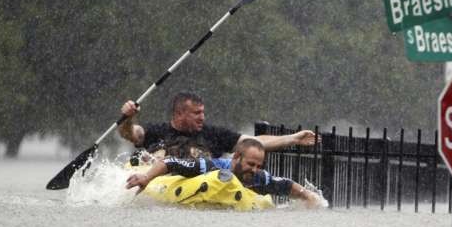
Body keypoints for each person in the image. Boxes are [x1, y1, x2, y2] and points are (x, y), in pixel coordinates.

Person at [125, 138, 323, 208]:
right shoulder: (210, 166)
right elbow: (170, 162)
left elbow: (287, 185)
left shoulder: (258, 177)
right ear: (236, 157)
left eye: (258, 165)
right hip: (179, 183)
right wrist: (146, 178)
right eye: (250, 164)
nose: (254, 170)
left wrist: (309, 196)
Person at [119, 91, 317, 158]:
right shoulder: (156, 131)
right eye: (196, 113)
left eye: (203, 112)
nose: (202, 117)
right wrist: (127, 117)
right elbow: (130, 133)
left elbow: (254, 142)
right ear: (179, 114)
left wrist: (293, 138)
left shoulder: (214, 134)